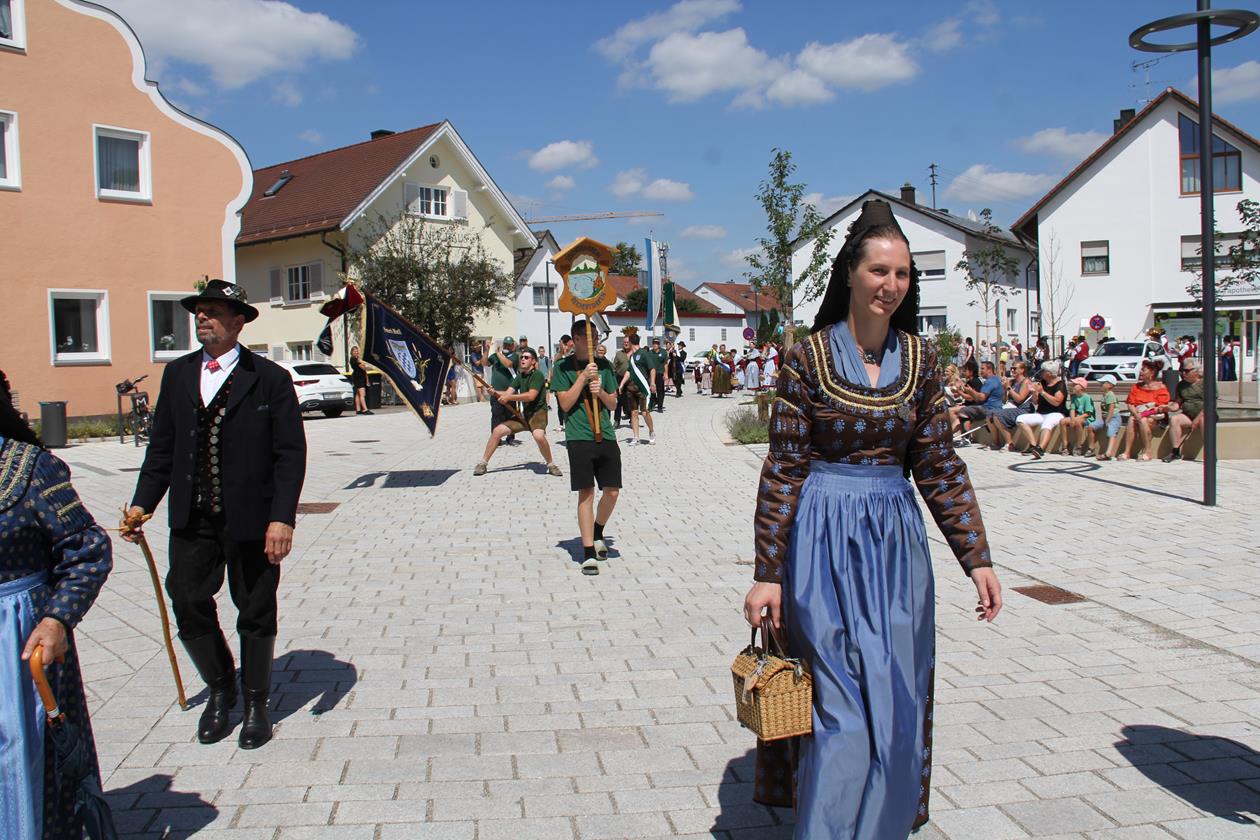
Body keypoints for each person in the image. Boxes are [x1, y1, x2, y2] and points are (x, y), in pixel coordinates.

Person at [742, 200, 1002, 839]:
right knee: (840, 716)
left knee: (897, 706)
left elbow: (938, 465)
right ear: (851, 275)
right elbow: (783, 469)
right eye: (879, 271)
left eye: (903, 273)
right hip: (820, 544)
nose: (891, 285)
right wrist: (767, 573)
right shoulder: (806, 358)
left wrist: (977, 558)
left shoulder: (922, 361)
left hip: (895, 549)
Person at [120, 280, 305, 751]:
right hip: (193, 516)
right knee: (186, 600)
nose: (202, 318)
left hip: (252, 519)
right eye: (199, 311)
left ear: (238, 322)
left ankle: (257, 703)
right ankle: (221, 687)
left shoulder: (268, 378)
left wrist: (282, 518)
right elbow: (162, 448)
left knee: (256, 608)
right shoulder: (179, 374)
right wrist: (143, 503)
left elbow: (290, 454)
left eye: (214, 312)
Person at [0, 378, 113, 839]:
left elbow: (87, 548)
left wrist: (56, 619)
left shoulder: (29, 468)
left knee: (18, 752)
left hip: (16, 638)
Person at [551, 320, 621, 576]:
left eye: (596, 336)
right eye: (589, 336)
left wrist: (600, 391)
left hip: (606, 435)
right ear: (576, 339)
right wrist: (582, 378)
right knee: (586, 492)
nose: (594, 340)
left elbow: (613, 404)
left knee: (612, 491)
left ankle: (598, 530)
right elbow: (565, 404)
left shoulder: (605, 366)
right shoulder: (562, 367)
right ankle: (588, 551)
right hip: (579, 436)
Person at [474, 348, 562, 477]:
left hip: (538, 414)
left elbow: (531, 396)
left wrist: (509, 397)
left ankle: (551, 464)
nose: (522, 359)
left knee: (538, 436)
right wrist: (495, 392)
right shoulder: (520, 376)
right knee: (497, 431)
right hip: (525, 415)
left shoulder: (537, 375)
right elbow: (508, 393)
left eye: (526, 357)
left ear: (533, 361)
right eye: (522, 357)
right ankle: (483, 463)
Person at [1014, 360, 1068, 459]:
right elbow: (1036, 402)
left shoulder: (1060, 384)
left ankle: (1041, 449)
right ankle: (1033, 445)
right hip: (1041, 413)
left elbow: (1057, 402)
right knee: (1020, 419)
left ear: (1050, 373)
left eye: (1043, 371)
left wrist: (1042, 392)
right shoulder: (1042, 383)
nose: (1041, 372)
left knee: (1047, 423)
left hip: (1056, 413)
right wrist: (1034, 392)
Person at [1119, 359, 1170, 461]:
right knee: (1131, 419)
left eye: (1143, 370)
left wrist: (1143, 415)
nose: (1141, 372)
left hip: (1155, 417)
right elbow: (1130, 404)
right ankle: (1127, 452)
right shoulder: (1136, 387)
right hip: (1138, 414)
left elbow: (1160, 408)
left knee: (1142, 420)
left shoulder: (1161, 388)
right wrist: (1136, 414)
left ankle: (1148, 451)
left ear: (1152, 372)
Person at [986, 360, 1036, 452]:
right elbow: (1004, 400)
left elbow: (1020, 399)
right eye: (1011, 368)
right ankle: (996, 442)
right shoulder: (1012, 382)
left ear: (1022, 370)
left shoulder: (1026, 382)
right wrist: (1004, 389)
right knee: (989, 414)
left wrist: (1009, 388)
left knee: (997, 415)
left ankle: (1010, 444)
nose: (1012, 370)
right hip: (1012, 407)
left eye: (1015, 369)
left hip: (1023, 408)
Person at [619, 332, 657, 446]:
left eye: (627, 342)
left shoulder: (644, 353)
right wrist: (621, 384)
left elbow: (652, 368)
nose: (626, 344)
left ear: (631, 342)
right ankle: (636, 437)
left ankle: (651, 431)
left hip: (642, 388)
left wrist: (653, 383)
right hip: (631, 388)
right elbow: (629, 372)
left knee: (645, 412)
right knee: (634, 413)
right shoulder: (631, 356)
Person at [1164, 358, 1205, 462]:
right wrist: (1169, 407)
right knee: (1174, 420)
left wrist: (1197, 419)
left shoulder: (1206, 383)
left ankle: (1210, 452)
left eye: (1186, 371)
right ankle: (1175, 451)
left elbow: (1210, 404)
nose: (1183, 373)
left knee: (1203, 421)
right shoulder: (1181, 385)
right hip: (1188, 415)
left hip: (1204, 414)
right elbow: (1177, 403)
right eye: (1182, 370)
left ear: (1196, 371)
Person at [952, 360, 1002, 439]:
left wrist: (970, 391)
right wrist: (970, 392)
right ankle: (966, 436)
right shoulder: (995, 380)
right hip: (991, 407)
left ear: (989, 370)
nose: (980, 371)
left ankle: (966, 437)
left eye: (982, 369)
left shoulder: (990, 381)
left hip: (989, 408)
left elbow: (981, 397)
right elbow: (978, 398)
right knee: (965, 412)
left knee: (963, 411)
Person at [489, 337, 518, 444]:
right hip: (496, 392)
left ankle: (510, 437)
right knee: (496, 416)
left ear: (513, 346)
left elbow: (508, 364)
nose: (507, 346)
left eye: (509, 345)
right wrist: (487, 350)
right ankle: (496, 438)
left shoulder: (514, 356)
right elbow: (484, 363)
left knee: (510, 415)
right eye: (505, 344)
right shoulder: (495, 356)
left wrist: (498, 352)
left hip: (510, 392)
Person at [1062, 377, 1096, 456]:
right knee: (1062, 421)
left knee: (1077, 422)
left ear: (1081, 387)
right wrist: (1072, 418)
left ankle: (1079, 446)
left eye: (1075, 385)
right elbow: (1072, 409)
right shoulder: (1074, 397)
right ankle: (1065, 446)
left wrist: (1075, 419)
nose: (1072, 386)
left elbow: (1087, 414)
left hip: (1087, 419)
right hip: (1077, 417)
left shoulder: (1087, 397)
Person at [1092, 380, 1124, 461]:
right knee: (1091, 426)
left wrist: (1108, 420)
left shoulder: (1110, 395)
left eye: (1103, 383)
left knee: (1111, 431)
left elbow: (1111, 408)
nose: (1101, 384)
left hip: (1113, 417)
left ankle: (1108, 453)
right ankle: (1091, 448)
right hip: (1105, 418)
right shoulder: (1105, 395)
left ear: (1110, 385)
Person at [551, 334, 574, 432]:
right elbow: (555, 361)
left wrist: (567, 352)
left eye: (561, 342)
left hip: (570, 384)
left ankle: (570, 424)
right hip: (560, 384)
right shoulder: (559, 354)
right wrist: (562, 351)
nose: (560, 344)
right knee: (560, 405)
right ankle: (561, 423)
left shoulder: (573, 352)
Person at [612, 333, 632, 427]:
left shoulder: (635, 353)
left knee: (631, 400)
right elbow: (614, 368)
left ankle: (632, 420)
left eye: (627, 342)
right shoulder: (619, 354)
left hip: (632, 380)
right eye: (624, 342)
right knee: (619, 401)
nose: (626, 343)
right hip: (620, 379)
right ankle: (617, 421)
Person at [350, 346, 372, 415]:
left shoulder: (356, 359)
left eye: (357, 351)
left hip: (358, 377)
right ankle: (365, 409)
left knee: (358, 394)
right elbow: (363, 368)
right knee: (362, 394)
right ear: (352, 352)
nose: (356, 352)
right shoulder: (354, 359)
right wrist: (363, 363)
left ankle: (358, 409)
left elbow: (364, 368)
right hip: (358, 378)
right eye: (355, 351)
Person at [648, 337, 667, 412]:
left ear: (659, 345)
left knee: (660, 390)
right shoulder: (650, 353)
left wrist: (666, 374)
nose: (655, 345)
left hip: (660, 373)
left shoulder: (663, 352)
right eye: (653, 343)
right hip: (651, 374)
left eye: (656, 344)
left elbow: (665, 364)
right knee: (651, 390)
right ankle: (652, 403)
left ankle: (660, 406)